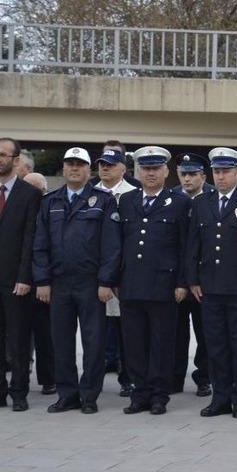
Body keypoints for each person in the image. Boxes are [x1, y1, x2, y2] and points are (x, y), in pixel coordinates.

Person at [33, 147, 121, 414]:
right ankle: (66, 394)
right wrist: (42, 280)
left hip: (91, 283)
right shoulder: (51, 201)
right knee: (61, 342)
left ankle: (89, 395)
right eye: (70, 164)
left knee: (94, 343)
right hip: (58, 283)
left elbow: (111, 246)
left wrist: (106, 281)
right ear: (63, 169)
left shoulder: (103, 200)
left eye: (80, 164)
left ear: (88, 170)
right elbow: (40, 244)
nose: (74, 168)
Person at [186, 147, 237, 419]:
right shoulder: (202, 202)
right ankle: (220, 397)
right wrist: (193, 279)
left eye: (225, 172)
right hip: (210, 286)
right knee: (215, 344)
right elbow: (193, 246)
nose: (220, 177)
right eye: (216, 172)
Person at [117, 146, 191, 415]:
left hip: (164, 285)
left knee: (161, 342)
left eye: (155, 169)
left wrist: (183, 282)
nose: (150, 173)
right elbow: (119, 243)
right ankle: (140, 393)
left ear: (166, 171)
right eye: (145, 169)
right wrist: (115, 278)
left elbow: (186, 247)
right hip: (132, 283)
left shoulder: (181, 202)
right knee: (134, 342)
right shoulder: (127, 201)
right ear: (138, 171)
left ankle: (159, 395)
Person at [0, 138, 42, 411]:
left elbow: (31, 239)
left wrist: (25, 277)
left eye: (3, 155)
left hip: (16, 281)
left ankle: (19, 393)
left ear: (15, 160)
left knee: (17, 341)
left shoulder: (29, 194)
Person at [94, 146, 138, 398]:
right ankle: (94, 377)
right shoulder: (91, 193)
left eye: (111, 164)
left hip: (123, 272)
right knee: (96, 329)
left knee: (126, 331)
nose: (105, 168)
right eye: (102, 164)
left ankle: (128, 378)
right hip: (95, 271)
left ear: (123, 168)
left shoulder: (133, 194)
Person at [171, 153, 212, 397]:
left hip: (202, 280)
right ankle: (175, 377)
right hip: (176, 278)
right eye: (183, 174)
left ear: (202, 176)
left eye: (192, 174)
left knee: (205, 333)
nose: (187, 179)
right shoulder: (172, 197)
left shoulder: (210, 198)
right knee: (176, 334)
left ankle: (204, 377)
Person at [23, 171, 56, 396]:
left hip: (43, 283)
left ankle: (48, 379)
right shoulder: (16, 208)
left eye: (38, 190)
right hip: (19, 281)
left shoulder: (51, 210)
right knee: (18, 335)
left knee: (45, 335)